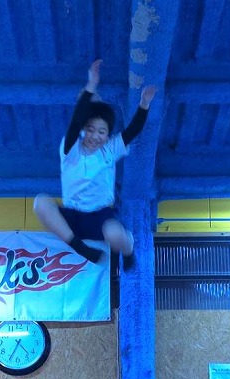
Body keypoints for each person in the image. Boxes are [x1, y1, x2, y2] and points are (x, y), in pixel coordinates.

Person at [34, 59, 157, 268]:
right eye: (90, 130)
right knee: (41, 202)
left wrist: (144, 104)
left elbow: (132, 131)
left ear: (107, 135)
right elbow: (76, 122)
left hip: (100, 216)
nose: (95, 136)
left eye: (102, 132)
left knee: (115, 234)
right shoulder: (71, 150)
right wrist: (91, 85)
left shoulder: (109, 149)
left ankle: (128, 250)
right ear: (83, 130)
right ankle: (80, 247)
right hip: (72, 217)